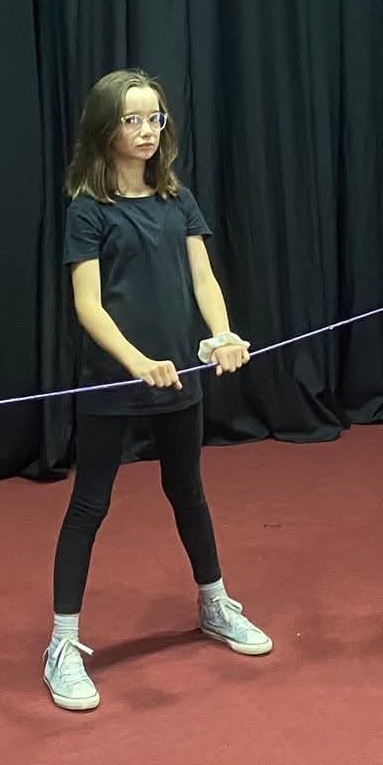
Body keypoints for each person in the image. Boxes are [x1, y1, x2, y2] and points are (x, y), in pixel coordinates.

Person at [42, 69, 271, 712]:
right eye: (132, 120)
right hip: (113, 380)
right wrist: (137, 362)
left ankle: (214, 604)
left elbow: (203, 279)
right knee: (90, 504)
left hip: (180, 379)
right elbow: (88, 305)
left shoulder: (177, 198)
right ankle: (62, 643)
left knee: (187, 491)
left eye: (155, 118)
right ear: (105, 129)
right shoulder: (88, 210)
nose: (146, 131)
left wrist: (222, 335)